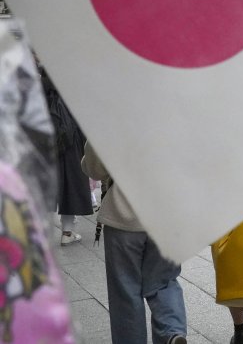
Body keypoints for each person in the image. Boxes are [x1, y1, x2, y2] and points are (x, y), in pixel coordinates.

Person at [81, 142, 187, 344]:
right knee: (165, 282)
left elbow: (94, 169)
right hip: (168, 217)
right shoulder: (176, 113)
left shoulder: (114, 115)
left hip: (124, 218)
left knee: (126, 292)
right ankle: (172, 333)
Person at [42, 70, 93, 245]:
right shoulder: (73, 77)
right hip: (71, 140)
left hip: (44, 140)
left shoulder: (38, 80)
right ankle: (67, 232)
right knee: (70, 185)